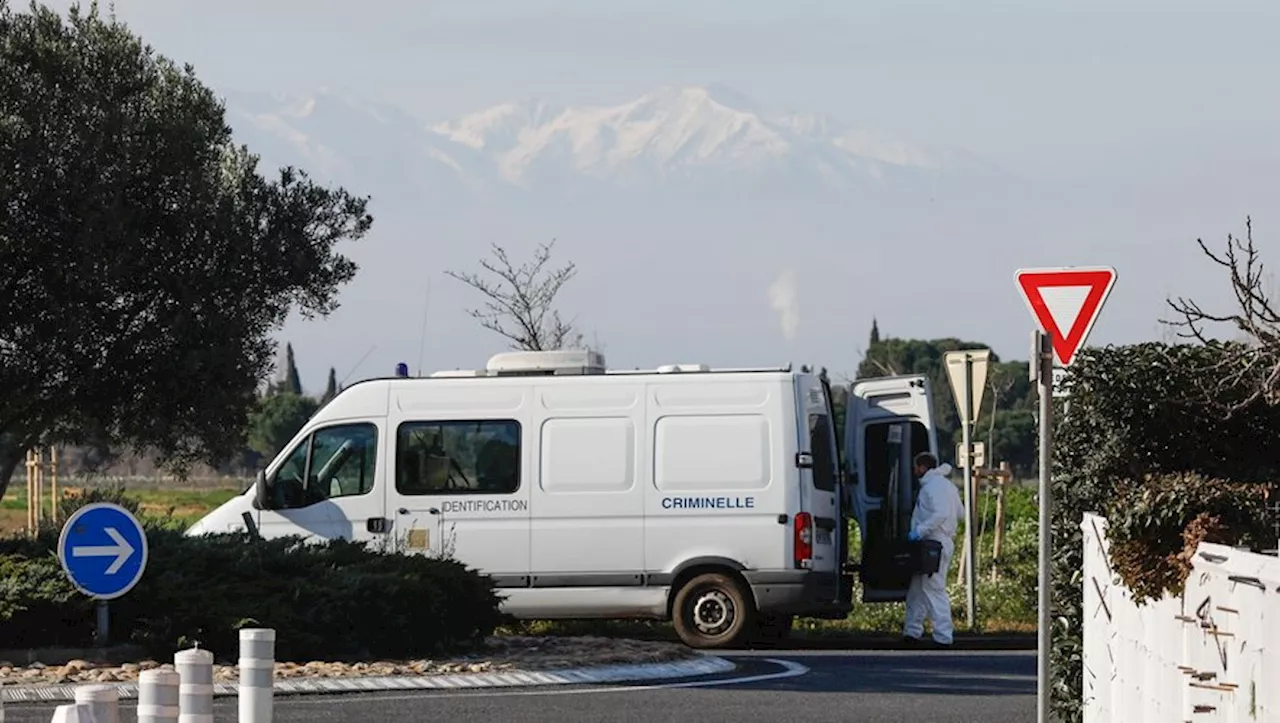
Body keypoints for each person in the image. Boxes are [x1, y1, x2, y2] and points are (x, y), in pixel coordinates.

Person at [902, 451, 964, 647]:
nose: (914, 471)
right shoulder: (948, 486)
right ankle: (912, 631)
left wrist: (919, 530)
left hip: (933, 543)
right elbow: (960, 514)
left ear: (922, 467)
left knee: (933, 588)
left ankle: (943, 636)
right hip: (940, 541)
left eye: (916, 467)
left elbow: (941, 513)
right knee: (918, 588)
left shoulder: (931, 487)